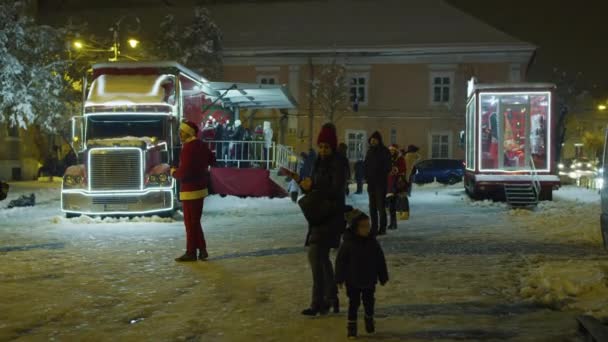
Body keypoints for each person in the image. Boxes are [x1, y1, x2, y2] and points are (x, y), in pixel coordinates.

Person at [298, 123, 346, 316]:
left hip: (331, 215)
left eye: (327, 147)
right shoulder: (318, 161)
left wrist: (315, 188)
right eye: (321, 146)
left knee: (316, 257)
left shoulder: (338, 164)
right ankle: (330, 297)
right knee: (321, 259)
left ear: (333, 147)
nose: (323, 150)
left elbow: (335, 190)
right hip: (319, 215)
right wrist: (306, 186)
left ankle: (318, 303)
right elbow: (316, 187)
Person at [335, 208, 389, 339]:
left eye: (368, 226)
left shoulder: (372, 242)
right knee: (354, 303)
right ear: (355, 228)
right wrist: (339, 278)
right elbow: (340, 262)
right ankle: (352, 328)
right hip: (352, 280)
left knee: (369, 301)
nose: (367, 229)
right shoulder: (348, 244)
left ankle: (369, 318)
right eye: (363, 226)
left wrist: (383, 275)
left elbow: (379, 259)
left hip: (369, 279)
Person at [171, 121, 216, 262]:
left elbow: (183, 172)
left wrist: (173, 172)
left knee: (190, 223)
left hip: (189, 190)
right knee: (195, 222)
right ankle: (202, 250)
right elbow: (212, 160)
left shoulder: (188, 148)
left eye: (182, 132)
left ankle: (191, 252)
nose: (179, 134)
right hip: (200, 189)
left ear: (189, 133)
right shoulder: (201, 145)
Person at [364, 131, 391, 236]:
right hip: (371, 183)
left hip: (380, 183)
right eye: (371, 140)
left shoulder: (384, 151)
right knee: (372, 207)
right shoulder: (369, 151)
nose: (373, 141)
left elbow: (388, 166)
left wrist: (380, 173)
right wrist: (366, 176)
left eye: (375, 140)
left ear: (379, 141)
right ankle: (374, 228)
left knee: (380, 207)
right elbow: (366, 165)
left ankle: (382, 228)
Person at [386, 144, 407, 229]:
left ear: (396, 151)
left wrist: (396, 170)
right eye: (390, 150)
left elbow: (403, 169)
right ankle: (392, 223)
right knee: (390, 206)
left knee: (393, 205)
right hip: (388, 185)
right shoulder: (387, 158)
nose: (391, 152)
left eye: (393, 150)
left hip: (396, 185)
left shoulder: (400, 159)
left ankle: (393, 223)